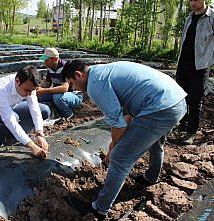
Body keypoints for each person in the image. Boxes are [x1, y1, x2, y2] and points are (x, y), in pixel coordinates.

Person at [62, 60, 187, 219]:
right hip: (176, 101)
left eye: (72, 83)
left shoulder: (95, 84)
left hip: (159, 108)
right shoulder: (104, 71)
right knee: (155, 143)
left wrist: (113, 147)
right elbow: (127, 114)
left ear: (78, 75)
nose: (74, 88)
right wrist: (114, 144)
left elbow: (118, 124)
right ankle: (150, 177)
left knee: (120, 158)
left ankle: (99, 208)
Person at [0, 66, 51, 158]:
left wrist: (39, 134)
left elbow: (35, 110)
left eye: (32, 91)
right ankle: (0, 135)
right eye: (27, 90)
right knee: (14, 117)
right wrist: (31, 145)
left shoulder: (28, 85)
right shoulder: (1, 87)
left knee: (44, 110)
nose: (29, 94)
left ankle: (13, 137)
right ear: (17, 81)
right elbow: (9, 119)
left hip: (13, 108)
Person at [176, 1, 213, 144]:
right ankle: (183, 123)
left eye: (195, 0)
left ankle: (191, 132)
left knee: (195, 100)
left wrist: (210, 59)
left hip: (200, 66)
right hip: (183, 64)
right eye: (190, 0)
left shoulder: (211, 17)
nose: (192, 3)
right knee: (181, 96)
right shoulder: (189, 17)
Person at [37, 48, 83, 120]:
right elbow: (47, 83)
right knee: (40, 96)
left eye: (46, 60)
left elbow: (64, 88)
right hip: (60, 94)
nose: (44, 62)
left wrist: (44, 90)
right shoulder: (50, 68)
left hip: (74, 95)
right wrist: (37, 89)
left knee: (57, 97)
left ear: (55, 59)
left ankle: (69, 116)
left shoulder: (65, 67)